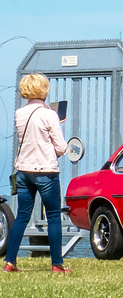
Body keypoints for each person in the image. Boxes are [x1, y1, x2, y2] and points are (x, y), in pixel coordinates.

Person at [6, 74, 71, 273]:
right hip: (46, 170)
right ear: (43, 89)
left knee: (22, 216)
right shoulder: (50, 114)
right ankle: (57, 264)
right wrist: (57, 125)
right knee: (52, 216)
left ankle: (10, 261)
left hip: (24, 169)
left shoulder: (19, 113)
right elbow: (60, 147)